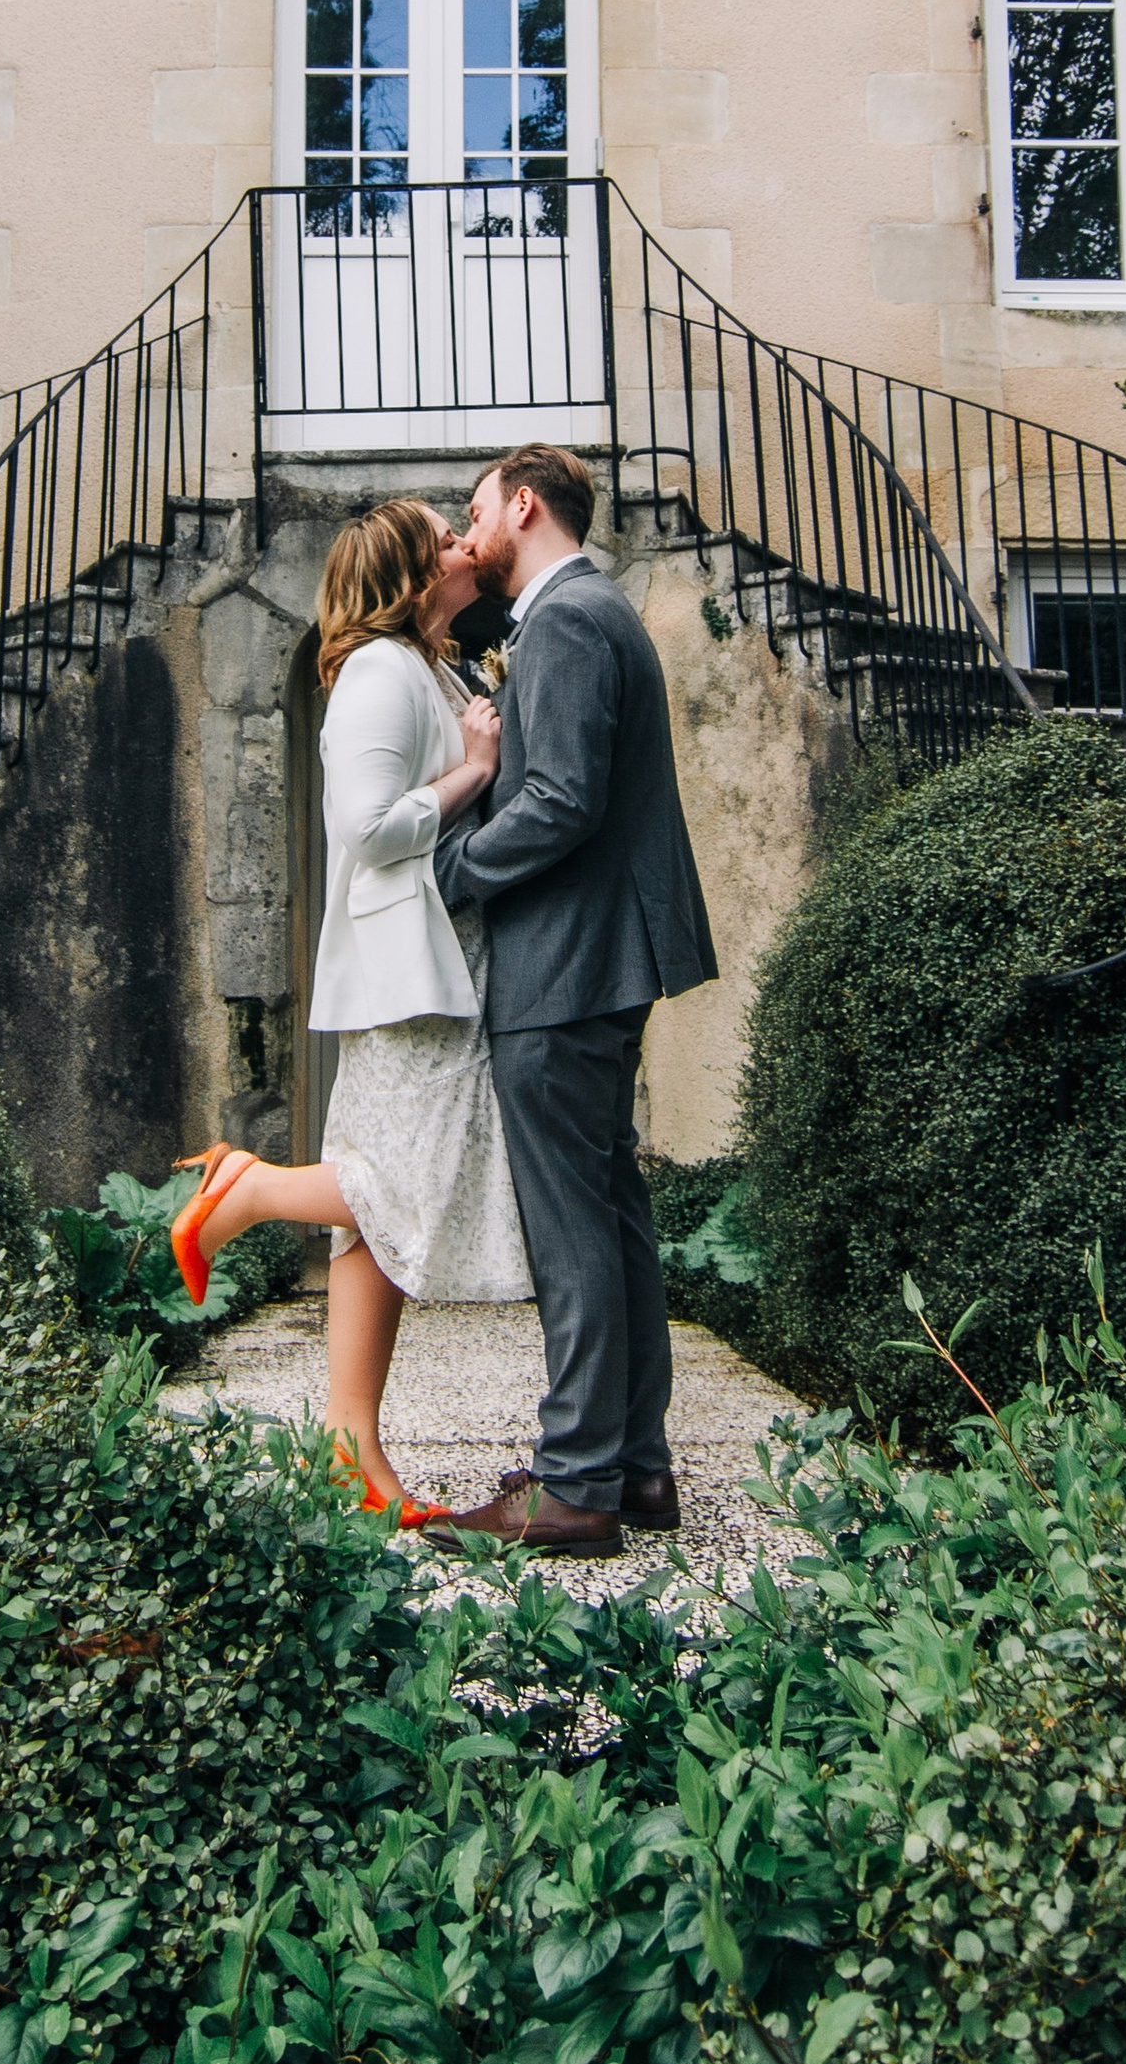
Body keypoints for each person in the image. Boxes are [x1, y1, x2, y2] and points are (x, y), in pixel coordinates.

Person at [169, 497, 532, 1516]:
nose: (469, 543)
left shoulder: (435, 665)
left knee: (372, 1220)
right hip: (407, 967)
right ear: (417, 572)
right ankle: (245, 1191)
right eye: (447, 534)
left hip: (442, 956)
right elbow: (367, 831)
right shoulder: (377, 671)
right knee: (400, 1187)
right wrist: (473, 770)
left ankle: (352, 1447)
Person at [415, 446, 717, 1557]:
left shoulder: (571, 619)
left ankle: (578, 1481)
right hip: (592, 957)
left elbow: (558, 800)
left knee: (571, 1223)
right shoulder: (580, 613)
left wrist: (442, 878)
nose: (467, 525)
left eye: (476, 508)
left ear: (524, 505)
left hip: (569, 961)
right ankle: (633, 1467)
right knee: (611, 1209)